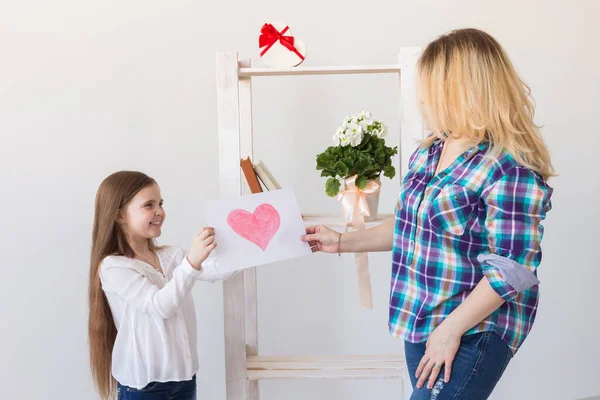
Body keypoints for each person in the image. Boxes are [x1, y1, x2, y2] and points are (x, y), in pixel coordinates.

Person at [302, 28, 554, 399]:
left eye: (433, 85)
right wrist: (341, 241)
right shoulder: (430, 151)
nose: (425, 97)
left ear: (462, 89)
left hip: (473, 328)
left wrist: (450, 331)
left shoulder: (508, 167)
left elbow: (511, 270)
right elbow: (410, 226)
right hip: (422, 319)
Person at [88, 170, 232, 399]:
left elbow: (215, 271)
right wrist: (192, 261)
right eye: (149, 205)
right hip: (144, 388)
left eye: (161, 203)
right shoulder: (114, 267)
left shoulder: (171, 255)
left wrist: (244, 246)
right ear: (119, 215)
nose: (160, 212)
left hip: (185, 381)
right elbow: (160, 306)